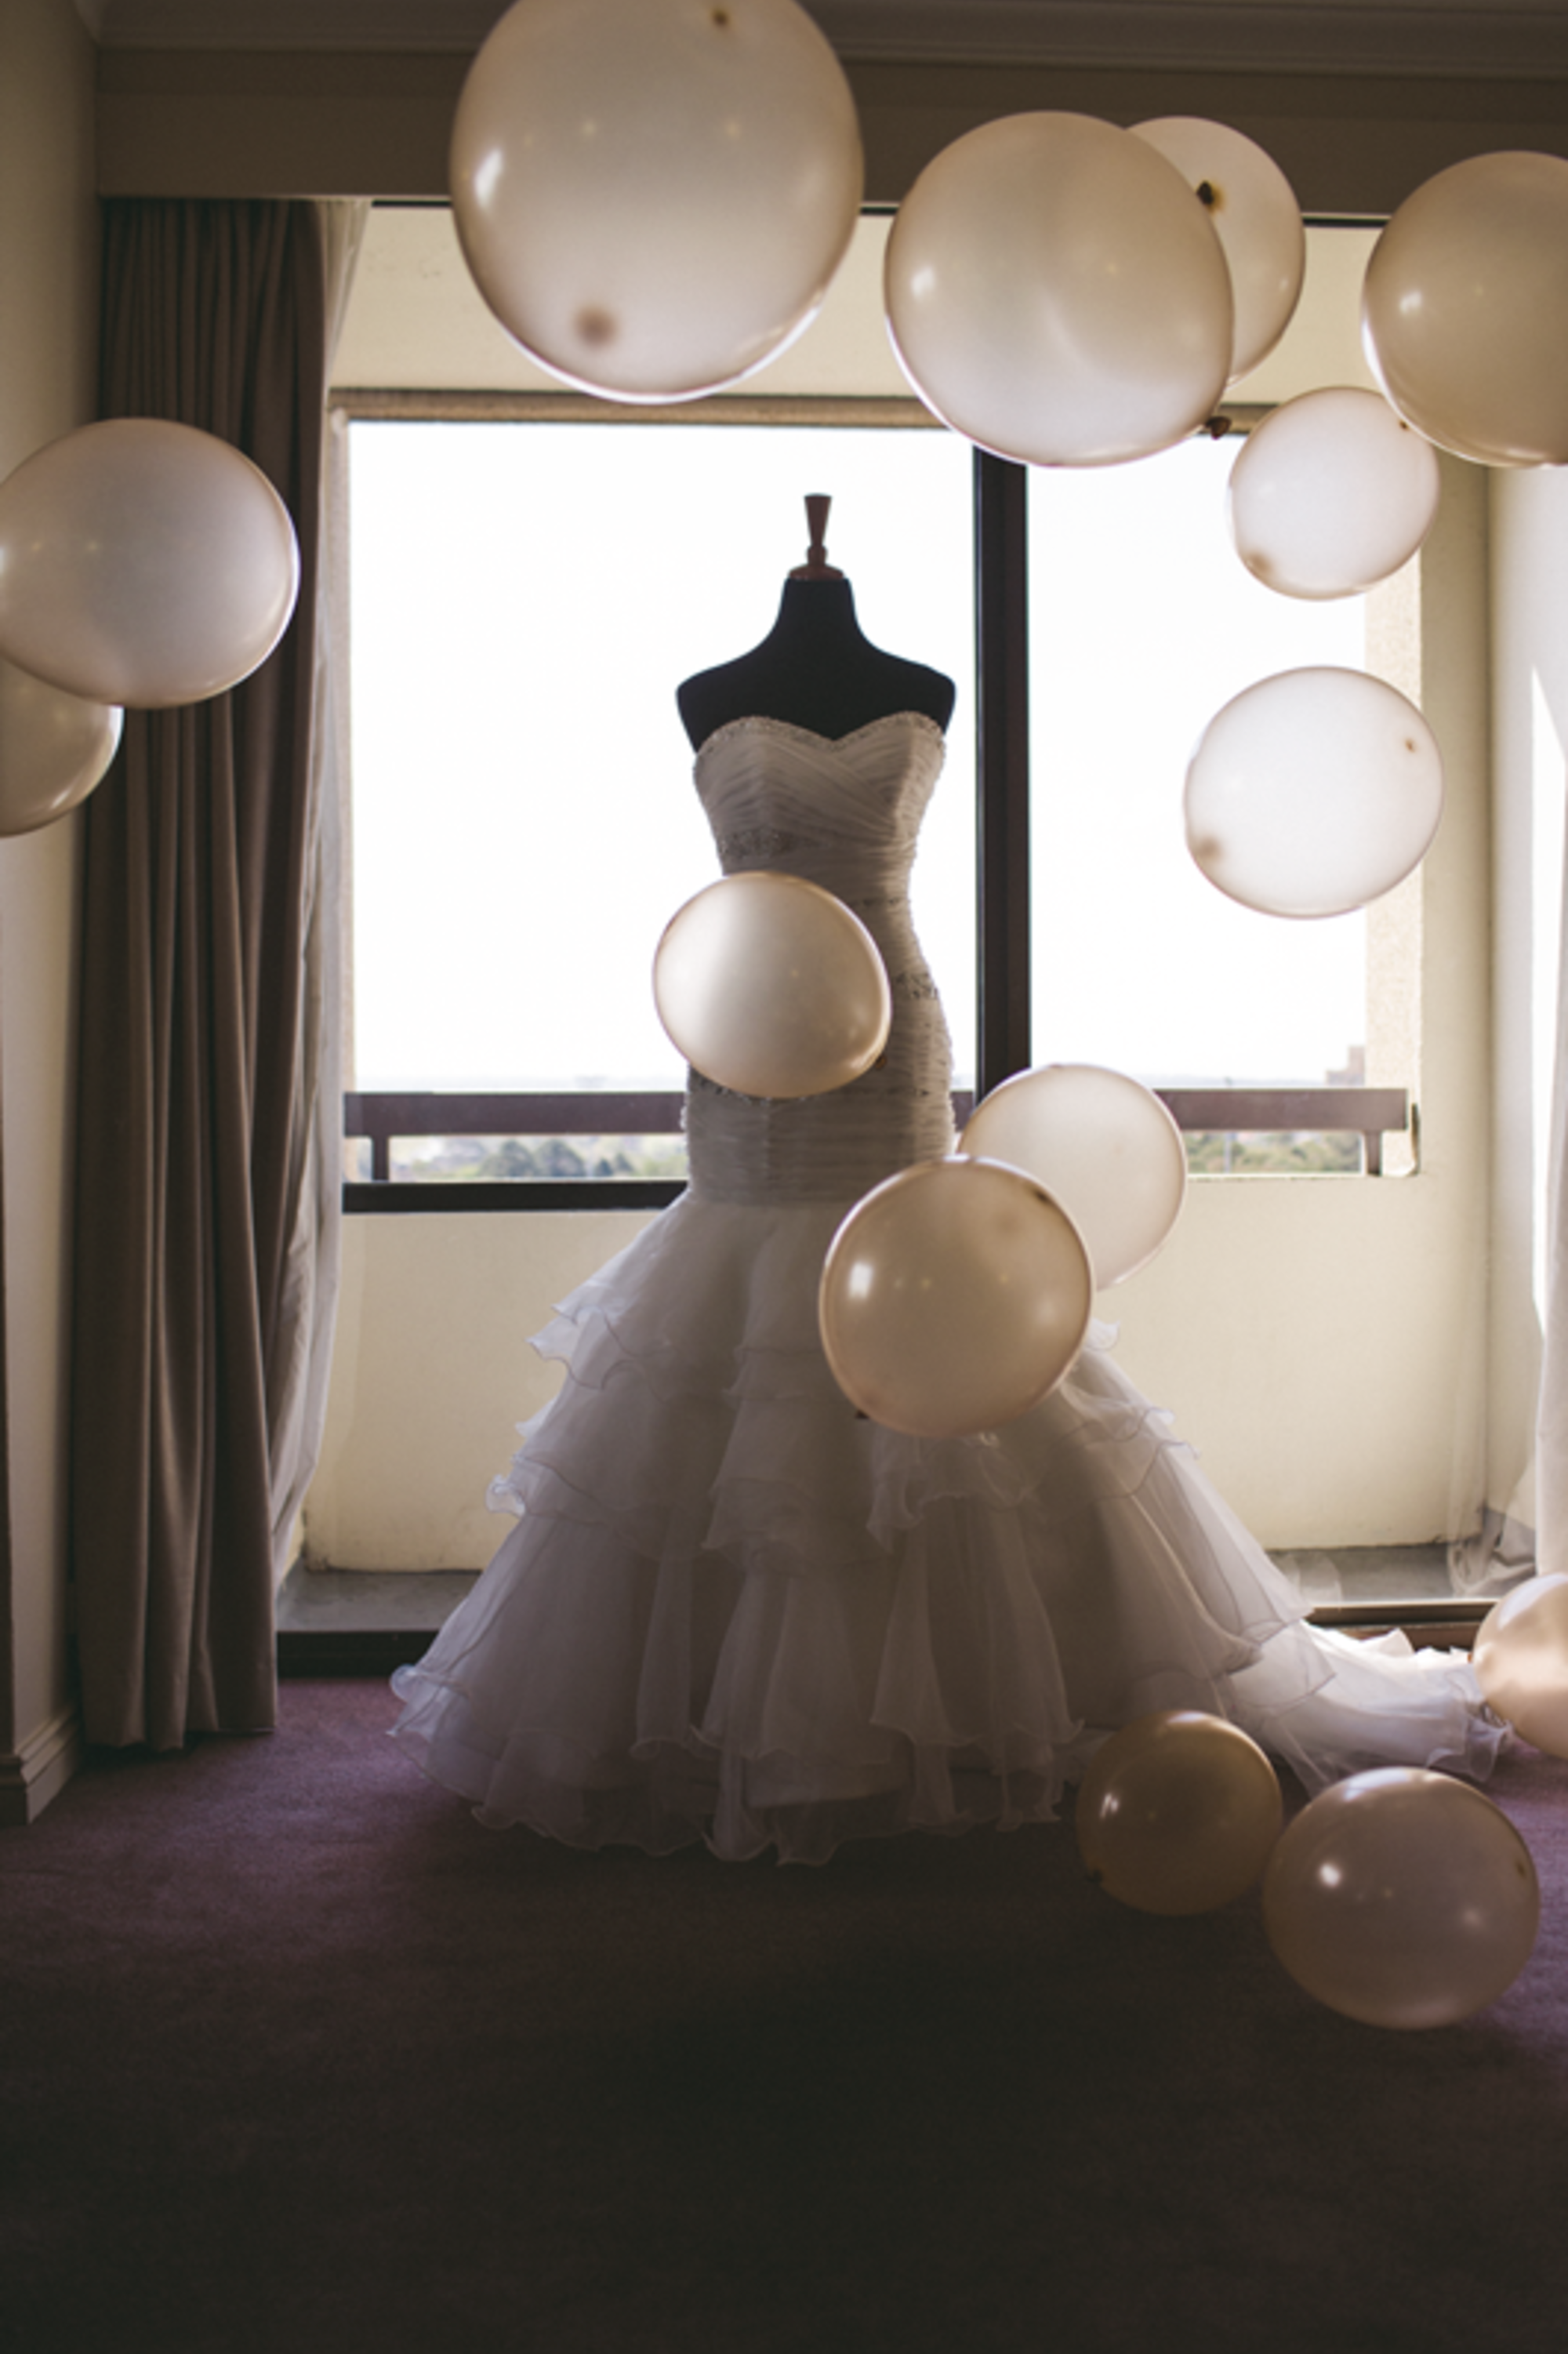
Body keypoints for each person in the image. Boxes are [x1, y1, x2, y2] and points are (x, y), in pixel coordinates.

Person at [389, 503, 1503, 1864]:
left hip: (895, 1043)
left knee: (927, 1314)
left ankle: (990, 1707)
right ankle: (738, 1727)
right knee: (744, 1311)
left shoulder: (925, 686)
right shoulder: (705, 692)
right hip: (744, 1028)